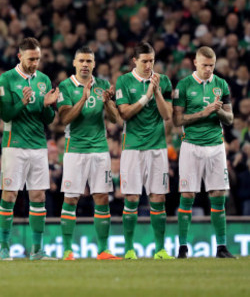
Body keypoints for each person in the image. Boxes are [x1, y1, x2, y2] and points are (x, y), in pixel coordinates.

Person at [0, 37, 59, 261]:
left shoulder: (43, 80)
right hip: (14, 145)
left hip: (38, 145)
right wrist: (21, 103)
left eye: (38, 59)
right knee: (10, 194)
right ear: (19, 56)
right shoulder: (7, 79)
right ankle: (4, 247)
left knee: (39, 195)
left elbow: (49, 119)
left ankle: (37, 250)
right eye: (31, 58)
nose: (35, 63)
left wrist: (48, 105)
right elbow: (5, 115)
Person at [57, 46, 121, 260]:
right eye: (81, 61)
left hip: (99, 150)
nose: (85, 65)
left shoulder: (102, 85)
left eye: (89, 61)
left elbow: (113, 119)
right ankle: (67, 250)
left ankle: (103, 250)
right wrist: (83, 99)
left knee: (102, 197)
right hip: (74, 150)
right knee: (71, 198)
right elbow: (65, 119)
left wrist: (108, 102)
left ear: (93, 64)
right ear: (74, 63)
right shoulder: (65, 86)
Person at [172, 46, 235, 258]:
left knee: (218, 195)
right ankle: (182, 247)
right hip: (191, 145)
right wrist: (204, 112)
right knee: (187, 195)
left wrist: (219, 112)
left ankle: (222, 247)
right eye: (205, 65)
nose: (208, 69)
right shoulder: (184, 85)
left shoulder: (221, 84)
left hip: (216, 145)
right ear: (196, 63)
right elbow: (177, 120)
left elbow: (230, 118)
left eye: (212, 65)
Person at [115, 42, 174, 260]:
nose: (149, 65)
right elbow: (125, 113)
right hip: (132, 148)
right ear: (135, 61)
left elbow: (167, 115)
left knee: (158, 198)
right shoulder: (124, 81)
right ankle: (129, 248)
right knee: (131, 198)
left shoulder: (163, 80)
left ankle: (160, 249)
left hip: (157, 147)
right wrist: (146, 95)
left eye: (152, 60)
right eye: (144, 61)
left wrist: (156, 92)